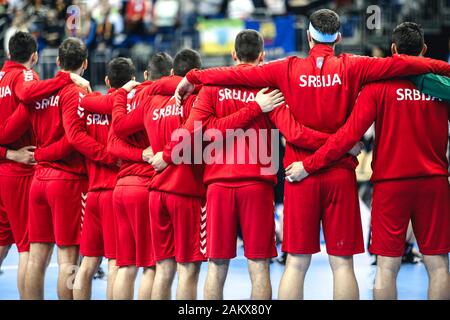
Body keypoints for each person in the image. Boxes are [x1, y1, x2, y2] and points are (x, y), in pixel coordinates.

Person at [175, 9, 450, 300]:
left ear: (308, 37)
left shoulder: (285, 69)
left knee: (295, 263)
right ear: (339, 38)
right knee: (343, 263)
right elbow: (402, 65)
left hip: (299, 175)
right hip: (342, 174)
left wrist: (194, 76)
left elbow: (236, 74)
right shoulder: (355, 66)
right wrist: (445, 69)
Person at [151, 30, 360, 300]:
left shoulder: (212, 88)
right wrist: (342, 143)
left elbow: (195, 133)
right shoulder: (270, 90)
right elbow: (295, 132)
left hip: (218, 186)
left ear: (233, 55)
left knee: (216, 266)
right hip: (257, 186)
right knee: (259, 265)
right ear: (262, 57)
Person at [286, 22, 450, 300]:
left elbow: (345, 138)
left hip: (390, 187)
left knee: (387, 267)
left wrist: (308, 165)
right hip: (434, 184)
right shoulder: (444, 90)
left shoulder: (377, 88)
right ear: (424, 50)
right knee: (438, 264)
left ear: (394, 50)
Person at [0, 31, 88, 299]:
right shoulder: (46, 85)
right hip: (50, 176)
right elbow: (75, 140)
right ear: (84, 64)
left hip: (33, 177)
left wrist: (6, 152)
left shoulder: (35, 93)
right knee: (66, 258)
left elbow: (6, 130)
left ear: (58, 61)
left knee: (31, 253)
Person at [107, 53, 172, 300]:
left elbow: (112, 144)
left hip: (121, 187)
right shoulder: (161, 100)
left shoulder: (125, 97)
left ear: (145, 75)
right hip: (145, 187)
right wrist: (143, 155)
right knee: (151, 266)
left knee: (125, 265)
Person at [72, 58, 137, 300]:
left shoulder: (90, 105)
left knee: (87, 264)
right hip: (114, 193)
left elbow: (88, 100)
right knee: (116, 264)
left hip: (93, 194)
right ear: (133, 80)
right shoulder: (128, 108)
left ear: (107, 81)